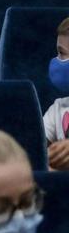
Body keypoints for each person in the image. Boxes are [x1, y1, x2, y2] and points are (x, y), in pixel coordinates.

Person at [44, 16, 69, 170]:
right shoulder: (58, 108)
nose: (57, 60)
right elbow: (33, 151)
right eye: (58, 52)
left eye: (62, 53)